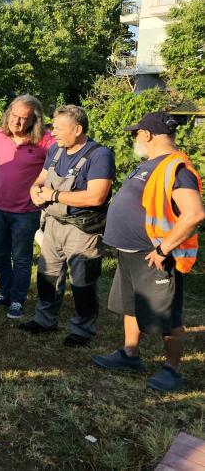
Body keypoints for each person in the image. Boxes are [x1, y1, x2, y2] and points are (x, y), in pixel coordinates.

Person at [92, 112, 204, 392]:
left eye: (136, 133)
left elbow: (194, 214)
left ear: (147, 135)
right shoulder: (151, 165)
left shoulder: (176, 169)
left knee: (166, 315)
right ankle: (130, 354)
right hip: (132, 252)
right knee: (130, 306)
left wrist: (164, 248)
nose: (134, 138)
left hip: (156, 255)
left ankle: (172, 369)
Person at [21, 105, 115, 347]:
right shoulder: (55, 150)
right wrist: (34, 189)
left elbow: (96, 197)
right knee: (47, 275)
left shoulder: (99, 155)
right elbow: (42, 177)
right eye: (54, 128)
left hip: (82, 228)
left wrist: (53, 196)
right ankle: (45, 320)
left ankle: (83, 330)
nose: (54, 134)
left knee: (83, 281)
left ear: (78, 129)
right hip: (53, 223)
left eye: (60, 129)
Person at [0, 94, 54, 319]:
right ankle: (4, 292)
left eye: (23, 118)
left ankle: (17, 299)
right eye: (14, 115)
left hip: (26, 211)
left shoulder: (45, 140)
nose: (17, 122)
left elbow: (55, 168)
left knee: (21, 257)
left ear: (34, 120)